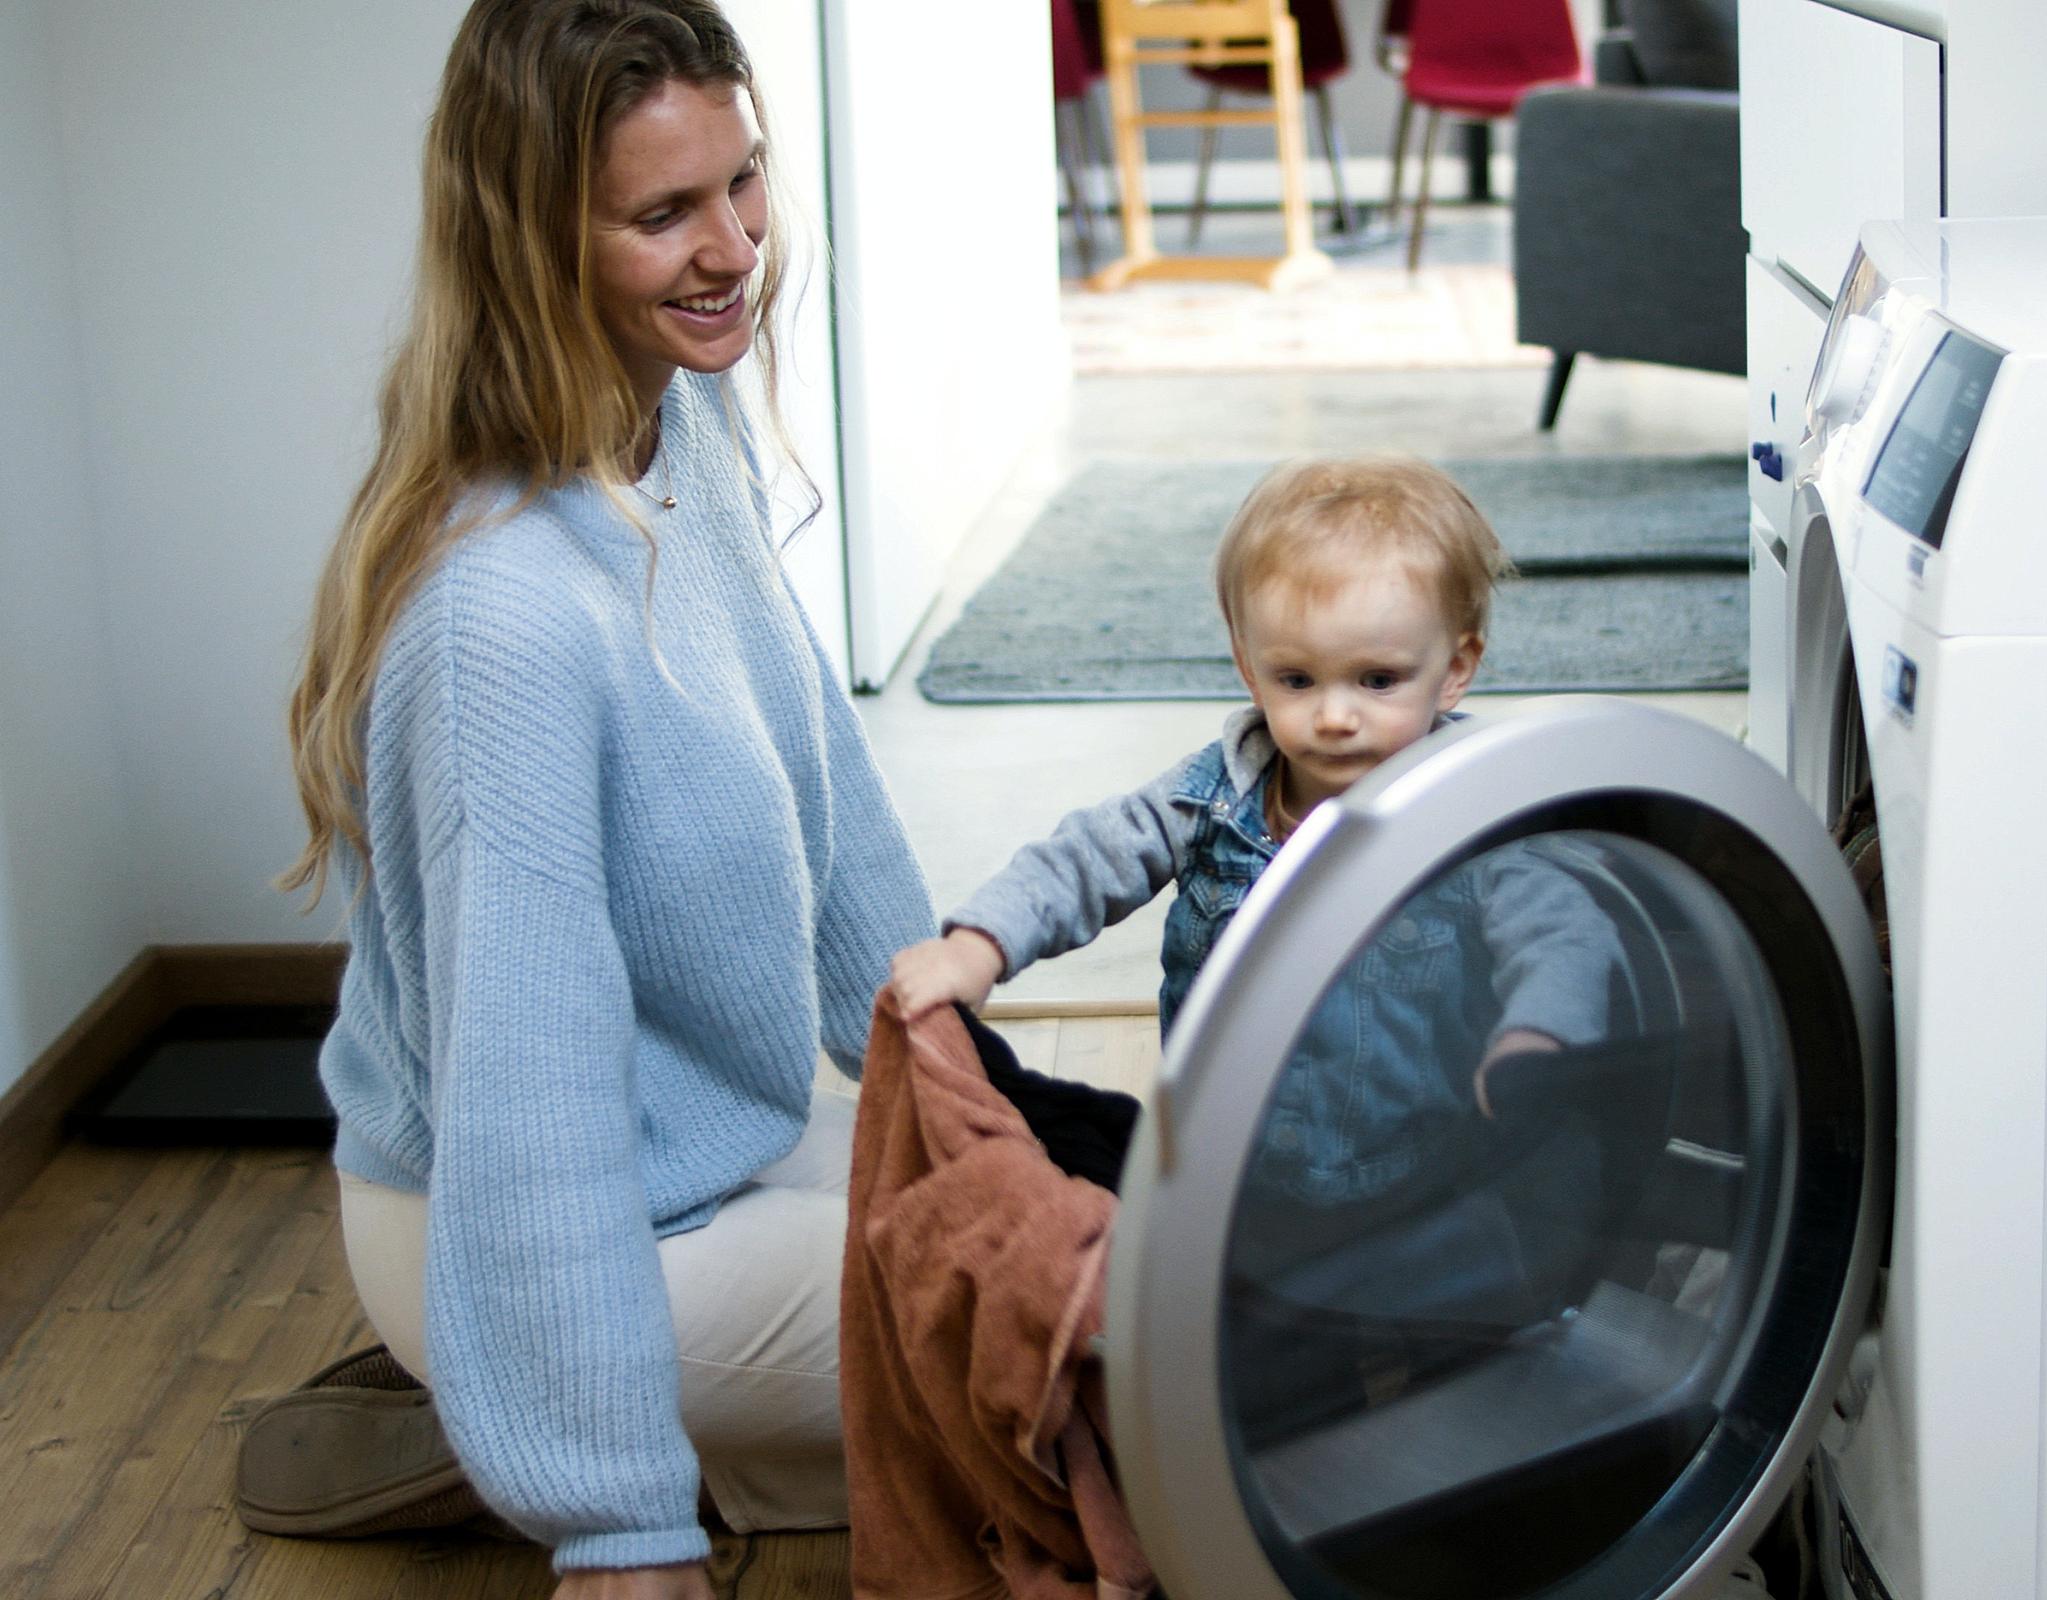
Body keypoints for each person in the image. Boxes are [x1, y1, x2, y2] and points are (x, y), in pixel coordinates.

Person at [277, 3, 932, 1595]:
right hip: (520, 1216)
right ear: (530, 242)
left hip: (700, 1151)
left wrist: (950, 1073)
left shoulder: (672, 415)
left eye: (744, 183)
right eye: (662, 215)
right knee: (1106, 1324)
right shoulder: (498, 611)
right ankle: (540, 1409)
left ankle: (738, 1435)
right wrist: (609, 1514)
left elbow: (819, 776)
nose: (734, 249)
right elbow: (532, 1090)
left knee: (1112, 1212)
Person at [887, 455, 1628, 1206]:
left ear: (1456, 666)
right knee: (1049, 1153)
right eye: (1297, 680)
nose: (1335, 717)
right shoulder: (1211, 801)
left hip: (1419, 1181)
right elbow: (1083, 860)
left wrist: (1536, 1042)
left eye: (1378, 681)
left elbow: (1564, 930)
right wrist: (978, 946)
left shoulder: (1476, 813)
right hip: (1223, 1176)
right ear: (1249, 667)